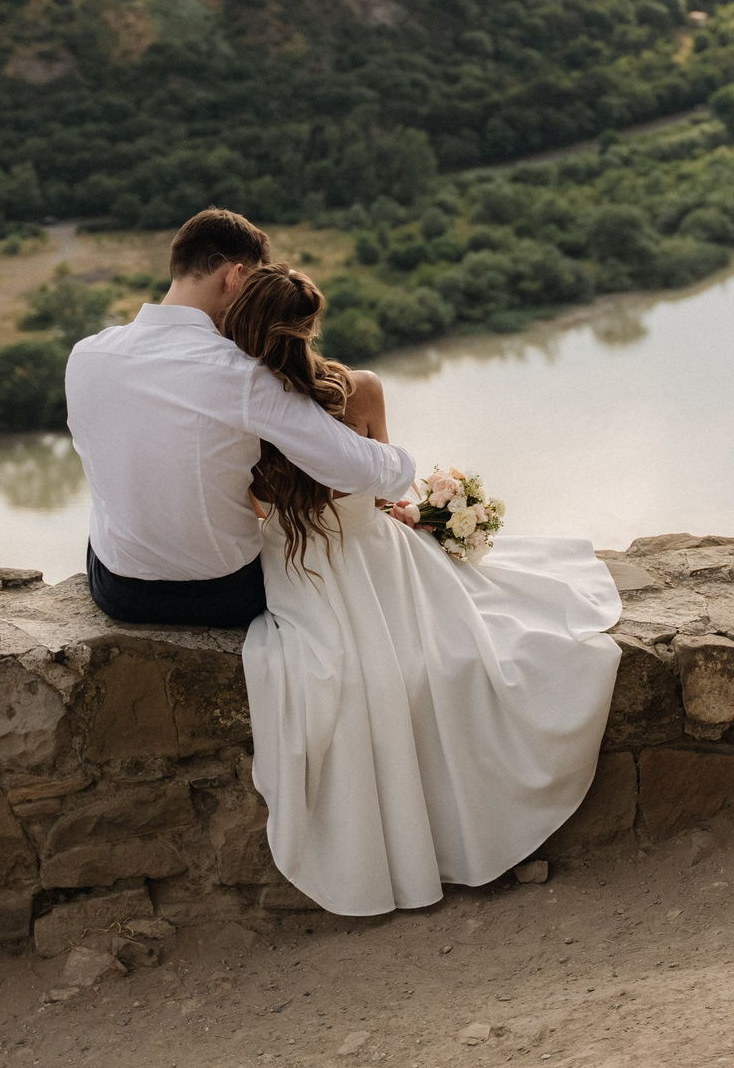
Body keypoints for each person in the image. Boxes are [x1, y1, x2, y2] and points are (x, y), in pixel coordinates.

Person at [219, 262, 622, 917]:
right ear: (309, 328)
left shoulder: (232, 414)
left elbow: (253, 511)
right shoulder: (362, 389)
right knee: (462, 648)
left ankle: (385, 866)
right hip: (379, 555)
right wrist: (411, 512)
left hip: (300, 569)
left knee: (359, 680)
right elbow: (382, 488)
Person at [66, 209, 415, 627]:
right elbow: (353, 468)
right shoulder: (242, 374)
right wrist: (403, 467)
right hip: (221, 595)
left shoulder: (85, 355)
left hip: (119, 592)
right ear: (233, 277)